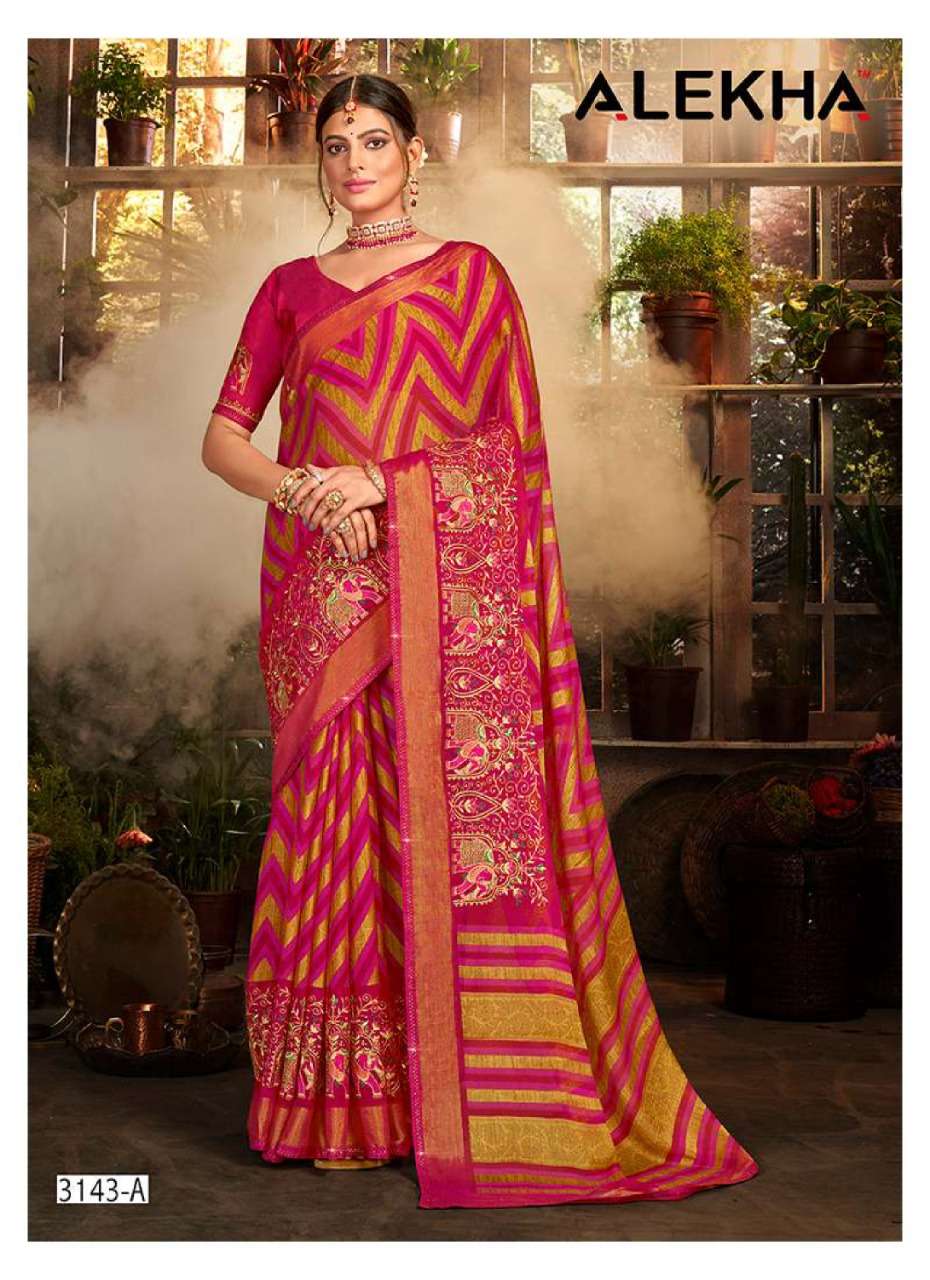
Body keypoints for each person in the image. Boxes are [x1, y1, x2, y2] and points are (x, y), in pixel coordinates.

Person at [202, 71, 760, 1210]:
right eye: (336, 145)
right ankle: (340, 1104)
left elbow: (507, 457)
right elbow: (223, 441)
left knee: (431, 824)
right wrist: (307, 489)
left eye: (374, 140)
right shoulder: (287, 291)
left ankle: (454, 1103)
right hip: (322, 593)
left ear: (414, 153)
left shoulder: (470, 280)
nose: (354, 162)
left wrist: (384, 482)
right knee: (333, 831)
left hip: (439, 595)